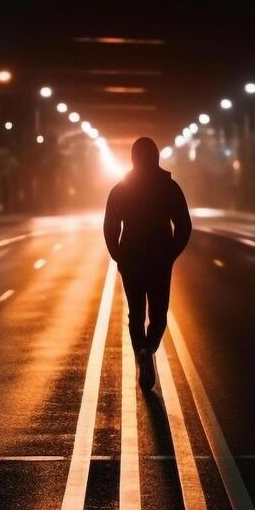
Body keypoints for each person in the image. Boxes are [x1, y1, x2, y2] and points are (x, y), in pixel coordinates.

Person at [103, 136, 192, 389]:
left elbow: (110, 226)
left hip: (132, 258)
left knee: (136, 313)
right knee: (159, 314)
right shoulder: (169, 187)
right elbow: (184, 226)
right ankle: (148, 350)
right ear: (156, 157)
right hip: (159, 260)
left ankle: (142, 352)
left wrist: (118, 255)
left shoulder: (121, 189)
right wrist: (171, 253)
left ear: (133, 158)